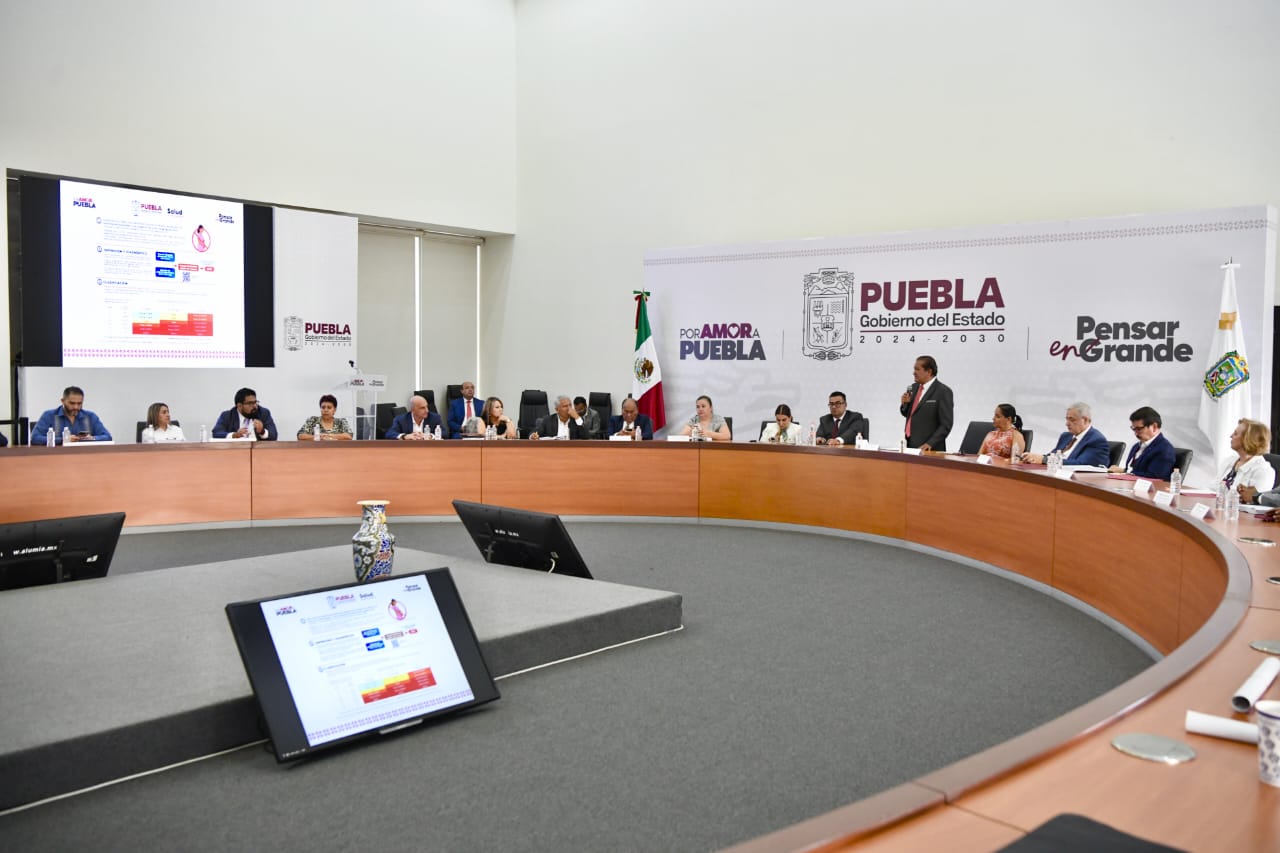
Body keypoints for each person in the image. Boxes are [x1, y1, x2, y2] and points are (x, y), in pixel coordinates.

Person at [1021, 402, 1109, 467]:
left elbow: (1081, 464)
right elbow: (1053, 455)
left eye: (1072, 419)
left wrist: (1044, 460)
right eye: (1067, 419)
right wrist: (1034, 458)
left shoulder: (1096, 440)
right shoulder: (1066, 436)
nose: (1067, 423)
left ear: (1085, 420)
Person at [899, 356, 954, 451]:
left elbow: (946, 425)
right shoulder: (913, 387)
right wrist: (905, 404)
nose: (913, 372)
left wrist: (930, 443)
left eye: (917, 369)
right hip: (910, 445)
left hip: (930, 450)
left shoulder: (943, 391)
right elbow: (908, 414)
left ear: (929, 371)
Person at [1108, 406, 1175, 480]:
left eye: (1139, 429)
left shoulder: (1165, 449)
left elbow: (1155, 477)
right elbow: (1133, 470)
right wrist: (1123, 471)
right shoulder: (1136, 446)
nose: (1135, 433)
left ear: (1154, 427)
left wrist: (1124, 471)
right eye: (1134, 429)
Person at [31, 386, 112, 444]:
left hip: (85, 456)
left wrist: (92, 438)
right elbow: (35, 438)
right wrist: (63, 440)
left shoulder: (90, 416)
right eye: (72, 403)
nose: (76, 407)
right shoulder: (49, 415)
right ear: (62, 401)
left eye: (79, 403)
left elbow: (107, 437)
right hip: (57, 456)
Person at [1217, 418, 1274, 496]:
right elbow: (1212, 488)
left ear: (1247, 439)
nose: (1231, 436)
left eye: (1235, 434)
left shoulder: (1263, 471)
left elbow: (1253, 499)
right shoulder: (1229, 461)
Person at [212, 388, 278, 440]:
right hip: (236, 451)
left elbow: (274, 435)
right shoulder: (227, 416)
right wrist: (234, 435)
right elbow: (216, 433)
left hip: (258, 451)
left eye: (255, 402)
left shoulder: (263, 413)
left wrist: (262, 431)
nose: (255, 406)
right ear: (239, 406)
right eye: (250, 403)